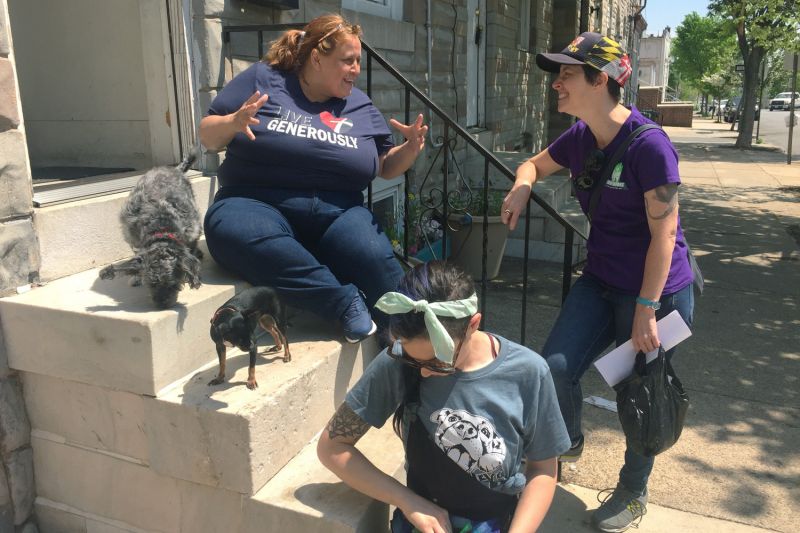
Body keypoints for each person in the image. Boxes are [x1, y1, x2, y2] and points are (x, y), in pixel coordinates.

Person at [501, 33, 695, 533]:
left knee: (640, 399)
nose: (556, 84)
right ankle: (568, 441)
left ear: (600, 80)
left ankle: (633, 491)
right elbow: (533, 164)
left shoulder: (651, 147)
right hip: (602, 280)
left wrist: (646, 308)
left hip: (659, 294)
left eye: (566, 73)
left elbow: (666, 235)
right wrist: (523, 188)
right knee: (553, 369)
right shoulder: (582, 138)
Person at [199, 14, 428, 343]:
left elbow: (385, 166)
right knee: (234, 234)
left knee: (373, 257)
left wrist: (410, 149)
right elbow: (208, 136)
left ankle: (417, 349)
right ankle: (342, 302)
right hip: (255, 201)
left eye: (358, 62)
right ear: (317, 59)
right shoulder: (265, 79)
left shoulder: (358, 104)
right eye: (347, 61)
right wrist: (234, 121)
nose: (356, 70)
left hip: (339, 211)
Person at [317, 261, 570, 533]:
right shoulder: (397, 363)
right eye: (414, 360)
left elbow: (543, 469)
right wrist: (407, 501)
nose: (423, 373)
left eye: (438, 361)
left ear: (473, 325)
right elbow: (332, 447)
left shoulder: (528, 373)